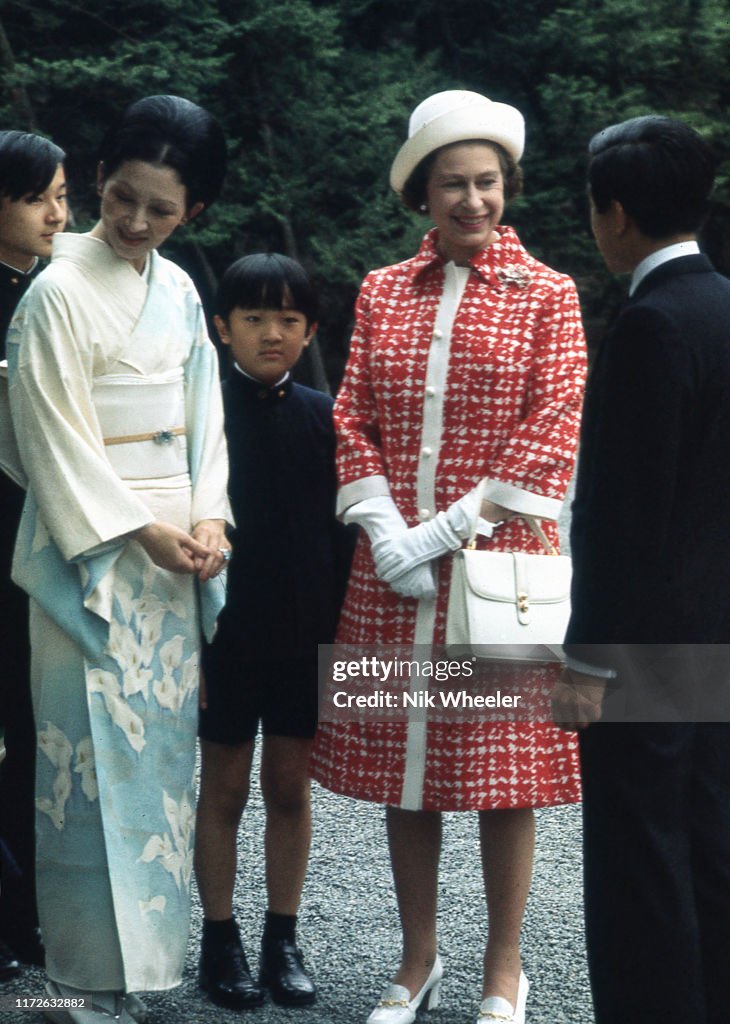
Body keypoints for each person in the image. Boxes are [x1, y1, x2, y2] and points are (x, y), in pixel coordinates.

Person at [311, 90, 586, 1024]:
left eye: (487, 182)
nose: (473, 201)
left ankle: (505, 969)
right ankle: (416, 958)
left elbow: (554, 426)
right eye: (452, 184)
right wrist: (387, 530)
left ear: (507, 186)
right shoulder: (382, 288)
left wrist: (444, 530)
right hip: (393, 571)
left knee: (507, 771)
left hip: (500, 562)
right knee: (407, 766)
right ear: (420, 194)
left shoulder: (548, 291)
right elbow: (352, 414)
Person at [6, 95, 231, 1024]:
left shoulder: (178, 289)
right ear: (100, 176)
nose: (136, 223)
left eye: (162, 212)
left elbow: (206, 426)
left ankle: (151, 966)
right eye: (124, 197)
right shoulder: (57, 286)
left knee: (157, 764)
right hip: (90, 552)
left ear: (195, 215)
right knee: (80, 764)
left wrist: (214, 518)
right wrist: (140, 528)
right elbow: (48, 435)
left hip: (174, 557)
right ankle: (82, 974)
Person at [552, 116, 730, 1024]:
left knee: (640, 857)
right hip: (718, 632)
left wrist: (585, 661)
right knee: (709, 846)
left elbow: (623, 519)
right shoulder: (725, 307)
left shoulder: (652, 325)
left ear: (613, 214)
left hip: (650, 647)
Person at [194, 253, 355, 1012]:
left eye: (289, 319)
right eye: (254, 317)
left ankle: (280, 937)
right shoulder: (201, 414)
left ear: (311, 329)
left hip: (304, 633)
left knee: (289, 788)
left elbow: (348, 537)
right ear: (222, 327)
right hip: (224, 635)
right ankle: (218, 937)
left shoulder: (329, 417)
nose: (272, 333)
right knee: (222, 789)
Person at [0, 130, 67, 980]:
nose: (57, 213)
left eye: (62, 197)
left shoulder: (59, 293)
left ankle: (24, 919)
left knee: (30, 729)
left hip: (38, 539)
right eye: (36, 197)